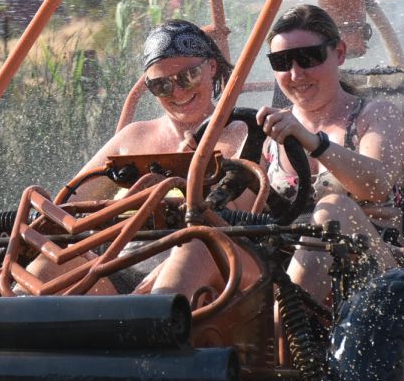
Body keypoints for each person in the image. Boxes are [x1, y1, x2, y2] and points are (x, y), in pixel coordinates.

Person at [25, 19, 245, 293]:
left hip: (196, 262)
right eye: (161, 86)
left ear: (211, 67)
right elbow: (68, 205)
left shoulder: (242, 134)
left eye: (188, 77)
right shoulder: (133, 137)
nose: (177, 92)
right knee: (38, 276)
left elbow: (249, 216)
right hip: (112, 263)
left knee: (172, 283)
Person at [255, 3, 404, 299]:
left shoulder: (377, 115)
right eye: (282, 61)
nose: (296, 74)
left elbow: (375, 186)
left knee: (332, 209)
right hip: (282, 264)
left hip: (376, 277)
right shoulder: (270, 135)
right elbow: (243, 213)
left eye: (308, 57)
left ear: (338, 53)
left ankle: (282, 333)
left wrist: (312, 141)